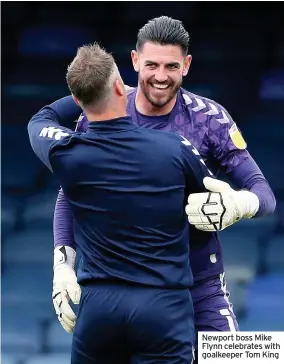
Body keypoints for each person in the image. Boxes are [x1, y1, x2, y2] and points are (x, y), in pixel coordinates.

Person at [52, 16, 276, 358]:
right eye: (151, 65)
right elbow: (70, 195)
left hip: (201, 286)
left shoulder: (210, 118)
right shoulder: (102, 111)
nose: (160, 76)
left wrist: (238, 205)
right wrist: (62, 267)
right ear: (134, 61)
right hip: (123, 292)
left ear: (186, 65)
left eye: (171, 66)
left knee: (243, 358)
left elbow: (264, 193)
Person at [28, 42, 216, 364]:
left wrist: (85, 92)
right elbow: (210, 197)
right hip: (164, 305)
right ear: (120, 86)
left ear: (77, 99)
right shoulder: (175, 148)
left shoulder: (68, 153)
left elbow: (42, 118)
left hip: (99, 308)